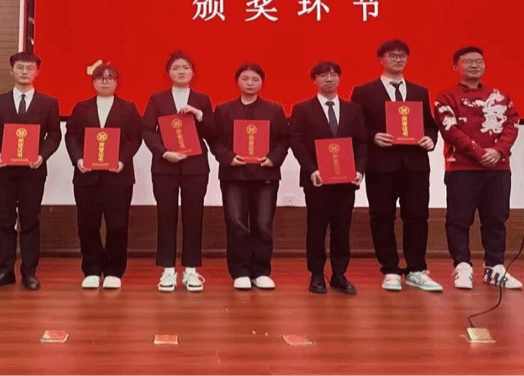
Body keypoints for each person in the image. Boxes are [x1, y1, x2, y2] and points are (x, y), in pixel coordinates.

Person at [350, 39, 442, 292]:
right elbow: (355, 126)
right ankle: (390, 269)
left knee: (417, 217)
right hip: (381, 164)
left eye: (402, 55)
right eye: (392, 55)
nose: (398, 59)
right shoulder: (364, 91)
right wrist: (373, 137)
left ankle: (416, 269)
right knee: (382, 217)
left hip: (415, 164)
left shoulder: (419, 91)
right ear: (381, 59)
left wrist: (430, 139)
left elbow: (430, 125)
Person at [434, 46, 522, 290]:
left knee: (496, 218)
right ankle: (462, 266)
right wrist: (480, 153)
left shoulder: (500, 96)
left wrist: (499, 151)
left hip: (498, 168)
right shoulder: (446, 97)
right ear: (456, 66)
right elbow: (450, 130)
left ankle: (495, 267)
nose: (474, 65)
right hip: (462, 169)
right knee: (459, 220)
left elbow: (512, 124)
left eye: (479, 61)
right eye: (468, 61)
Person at [0, 52, 62, 291]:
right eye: (20, 67)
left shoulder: (49, 103)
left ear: (37, 72)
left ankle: (29, 272)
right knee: (4, 220)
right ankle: (4, 270)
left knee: (30, 221)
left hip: (33, 171)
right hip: (4, 171)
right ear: (11, 71)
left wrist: (42, 155)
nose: (24, 71)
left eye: (29, 68)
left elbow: (54, 135)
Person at [289, 60, 366, 296]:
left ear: (339, 79)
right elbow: (297, 142)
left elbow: (362, 143)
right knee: (316, 228)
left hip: (346, 180)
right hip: (317, 179)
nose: (329, 79)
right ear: (315, 80)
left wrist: (359, 171)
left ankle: (339, 274)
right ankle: (316, 274)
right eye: (323, 75)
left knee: (342, 228)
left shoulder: (353, 109)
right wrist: (311, 169)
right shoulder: (302, 109)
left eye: (334, 75)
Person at [210, 63, 289, 290]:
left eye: (255, 79)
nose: (250, 83)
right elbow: (215, 140)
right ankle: (240, 271)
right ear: (237, 82)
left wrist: (273, 158)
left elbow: (284, 139)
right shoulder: (223, 110)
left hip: (265, 174)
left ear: (262, 83)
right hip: (234, 174)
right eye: (245, 79)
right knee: (236, 223)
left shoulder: (274, 110)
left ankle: (261, 271)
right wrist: (228, 158)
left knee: (263, 224)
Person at [142, 51, 216, 293]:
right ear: (168, 73)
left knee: (194, 216)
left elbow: (212, 131)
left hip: (195, 166)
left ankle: (191, 270)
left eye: (185, 67)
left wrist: (199, 115)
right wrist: (163, 152)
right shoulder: (157, 98)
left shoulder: (202, 99)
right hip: (165, 165)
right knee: (166, 216)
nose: (181, 71)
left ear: (193, 72)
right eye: (176, 68)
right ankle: (167, 270)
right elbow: (147, 130)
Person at [65, 64, 142, 289]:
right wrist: (78, 159)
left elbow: (134, 138)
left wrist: (122, 160)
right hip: (86, 177)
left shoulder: (128, 108)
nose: (105, 82)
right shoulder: (81, 108)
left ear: (117, 82)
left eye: (110, 78)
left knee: (117, 225)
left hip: (118, 177)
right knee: (87, 224)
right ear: (93, 82)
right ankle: (91, 269)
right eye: (100, 78)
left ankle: (114, 271)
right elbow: (71, 136)